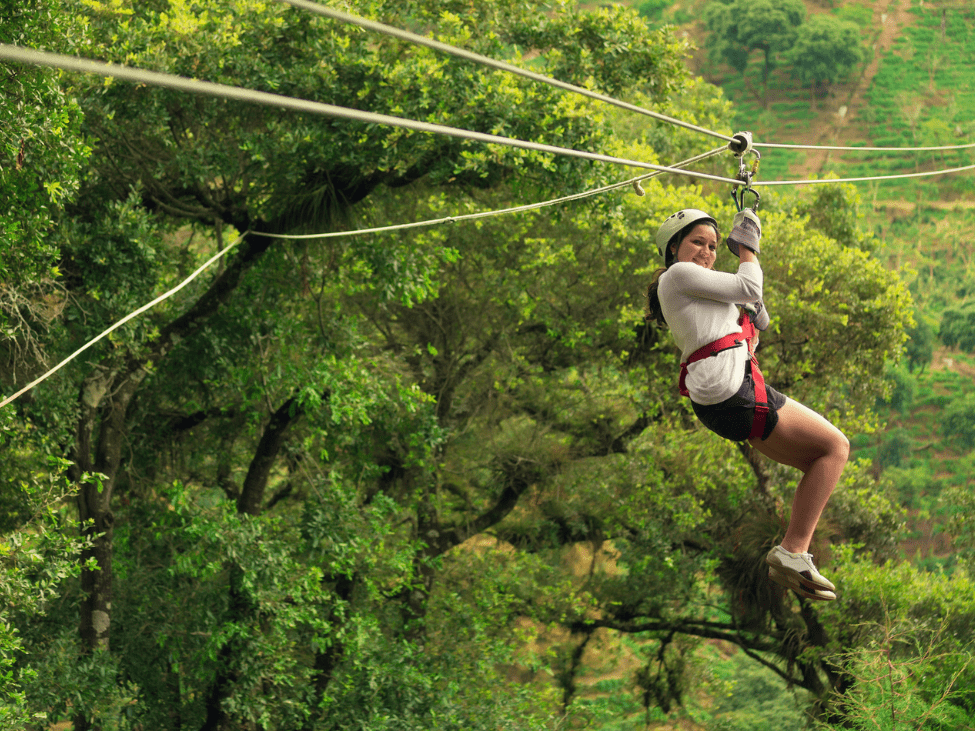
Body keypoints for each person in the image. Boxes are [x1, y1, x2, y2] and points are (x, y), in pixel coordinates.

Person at [645, 208, 850, 601]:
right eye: (697, 243)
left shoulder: (696, 288)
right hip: (733, 395)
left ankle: (795, 552)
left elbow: (748, 313)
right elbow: (749, 287)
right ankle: (792, 551)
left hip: (722, 402)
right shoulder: (677, 275)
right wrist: (748, 250)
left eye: (713, 246)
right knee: (835, 447)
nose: (706, 252)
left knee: (818, 462)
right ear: (674, 248)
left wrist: (748, 314)